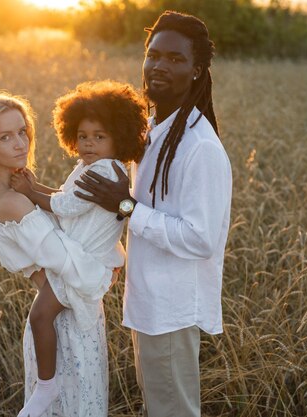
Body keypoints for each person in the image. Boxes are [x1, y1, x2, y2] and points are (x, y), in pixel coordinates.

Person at [74, 11, 232, 417]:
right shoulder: (153, 129)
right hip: (147, 304)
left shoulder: (200, 147)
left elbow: (201, 238)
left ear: (197, 72)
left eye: (176, 59)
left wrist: (125, 206)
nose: (160, 66)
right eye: (153, 55)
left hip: (171, 311)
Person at [0, 86, 146, 417]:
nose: (20, 143)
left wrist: (107, 258)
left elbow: (74, 223)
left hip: (70, 309)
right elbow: (64, 256)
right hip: (68, 323)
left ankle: (46, 388)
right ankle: (47, 387)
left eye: (22, 132)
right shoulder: (12, 203)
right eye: (5, 137)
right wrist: (104, 270)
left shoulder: (10, 198)